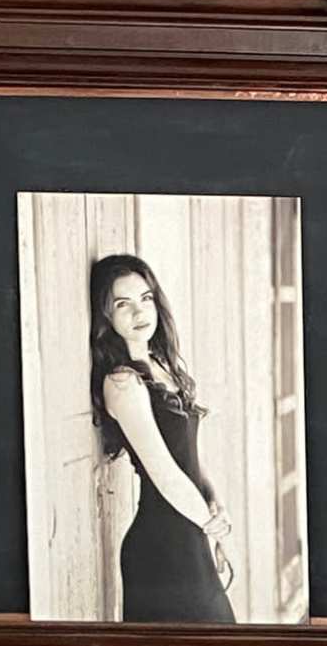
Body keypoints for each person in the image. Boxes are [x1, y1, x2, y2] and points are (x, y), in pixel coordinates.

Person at [88, 252, 237, 625]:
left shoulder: (163, 368)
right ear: (106, 316)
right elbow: (165, 473)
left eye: (145, 298)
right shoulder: (122, 382)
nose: (139, 313)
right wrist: (212, 527)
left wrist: (216, 507)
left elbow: (189, 459)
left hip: (189, 533)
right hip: (161, 548)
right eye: (123, 304)